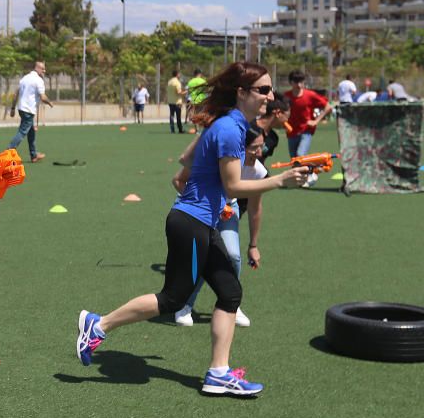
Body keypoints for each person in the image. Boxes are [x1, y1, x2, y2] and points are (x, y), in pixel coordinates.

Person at [75, 61, 307, 397]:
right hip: (192, 223)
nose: (271, 96)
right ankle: (100, 324)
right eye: (263, 90)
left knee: (229, 292)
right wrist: (281, 180)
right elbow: (232, 186)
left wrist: (200, 187)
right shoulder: (229, 129)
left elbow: (187, 165)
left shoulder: (228, 125)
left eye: (271, 89)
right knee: (172, 298)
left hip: (199, 221)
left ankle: (218, 373)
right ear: (241, 93)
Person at [173, 123, 269, 328]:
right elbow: (178, 181)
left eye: (263, 147)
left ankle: (231, 305)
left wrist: (253, 245)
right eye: (255, 148)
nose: (260, 153)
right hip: (198, 207)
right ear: (240, 147)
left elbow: (255, 209)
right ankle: (185, 304)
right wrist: (205, 205)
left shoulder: (258, 171)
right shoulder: (214, 158)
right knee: (202, 255)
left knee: (233, 255)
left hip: (228, 210)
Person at [8, 60, 53, 163]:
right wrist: (50, 103)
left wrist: (12, 108)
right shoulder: (38, 80)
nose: (44, 71)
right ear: (36, 68)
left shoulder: (24, 78)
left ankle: (34, 155)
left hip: (21, 109)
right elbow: (43, 97)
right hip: (28, 110)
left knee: (31, 131)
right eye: (42, 69)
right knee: (22, 132)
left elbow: (15, 94)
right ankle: (8, 151)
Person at [285, 70, 333, 159]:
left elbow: (328, 107)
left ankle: (309, 171)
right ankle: (307, 172)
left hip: (306, 131)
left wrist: (316, 121)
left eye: (301, 82)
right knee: (294, 160)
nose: (299, 85)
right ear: (291, 82)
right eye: (296, 82)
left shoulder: (310, 95)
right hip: (291, 132)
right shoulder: (286, 96)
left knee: (300, 155)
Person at [166, 69, 186, 134]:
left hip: (170, 101)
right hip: (177, 102)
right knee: (178, 116)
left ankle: (172, 129)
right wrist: (185, 92)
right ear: (177, 74)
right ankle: (180, 129)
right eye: (179, 74)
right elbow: (178, 92)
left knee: (171, 115)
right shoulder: (177, 82)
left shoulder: (169, 81)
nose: (180, 75)